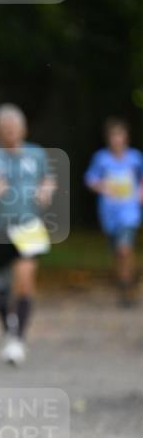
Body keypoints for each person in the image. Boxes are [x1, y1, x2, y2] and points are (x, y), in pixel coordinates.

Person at [0, 104, 55, 366]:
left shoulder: (36, 154)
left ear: (23, 129)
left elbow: (48, 178)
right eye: (5, 129)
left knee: (24, 280)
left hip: (28, 226)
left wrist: (46, 190)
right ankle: (9, 329)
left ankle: (17, 339)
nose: (10, 133)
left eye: (14, 128)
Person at [84, 118, 143, 306]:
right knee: (117, 253)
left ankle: (127, 288)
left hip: (129, 211)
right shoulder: (101, 159)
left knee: (124, 249)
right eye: (113, 136)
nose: (117, 140)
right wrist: (102, 186)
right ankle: (124, 284)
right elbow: (90, 179)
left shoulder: (135, 158)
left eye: (120, 135)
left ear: (126, 137)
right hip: (109, 212)